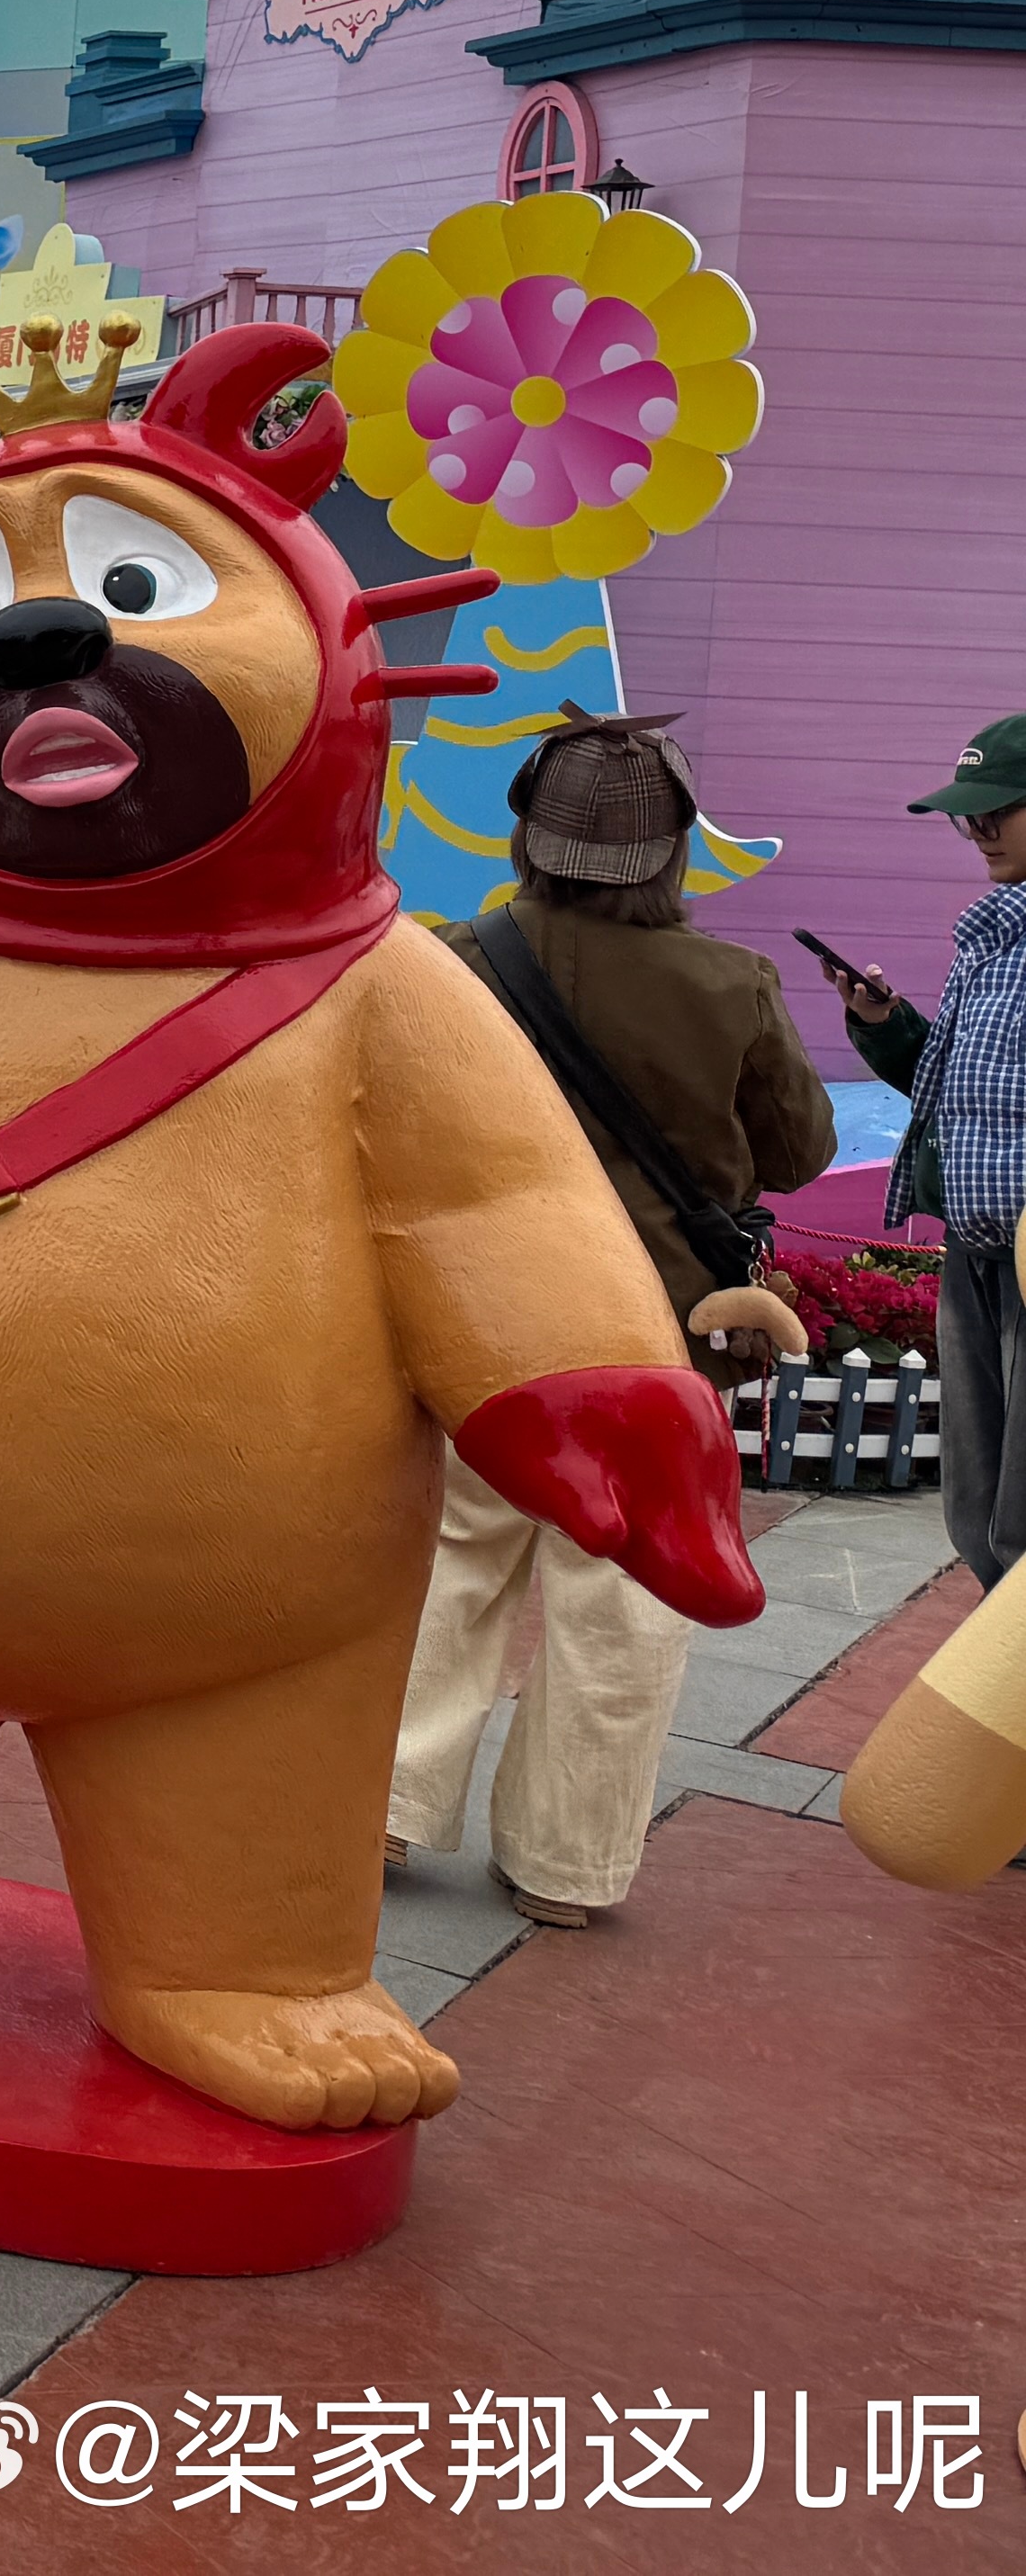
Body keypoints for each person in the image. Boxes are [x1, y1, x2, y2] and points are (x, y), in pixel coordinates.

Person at [390, 715, 836, 1924]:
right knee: (624, 1600)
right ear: (673, 854)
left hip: (484, 1325)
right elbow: (800, 1151)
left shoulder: (451, 965)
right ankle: (565, 1868)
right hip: (662, 1337)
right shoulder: (728, 984)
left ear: (527, 839)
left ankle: (384, 1806)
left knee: (448, 1562)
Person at [826, 708, 1026, 1592]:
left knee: (1020, 1519)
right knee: (978, 1509)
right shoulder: (991, 942)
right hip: (975, 1257)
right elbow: (969, 1101)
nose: (976, 832)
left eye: (997, 811)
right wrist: (888, 1027)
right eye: (967, 816)